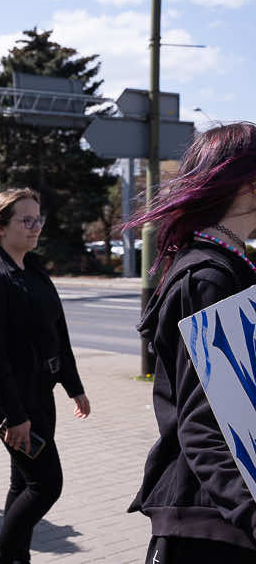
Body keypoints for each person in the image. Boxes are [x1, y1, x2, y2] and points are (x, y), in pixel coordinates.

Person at [125, 123, 256, 563]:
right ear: (247, 186)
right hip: (209, 523)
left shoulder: (226, 267)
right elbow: (203, 426)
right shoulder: (209, 277)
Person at [0, 189, 90, 564]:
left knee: (23, 481)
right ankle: (3, 556)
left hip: (42, 393)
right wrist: (16, 416)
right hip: (13, 400)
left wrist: (74, 386)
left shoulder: (33, 268)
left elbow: (59, 330)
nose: (36, 227)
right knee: (46, 484)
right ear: (1, 227)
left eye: (38, 219)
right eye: (26, 220)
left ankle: (16, 556)